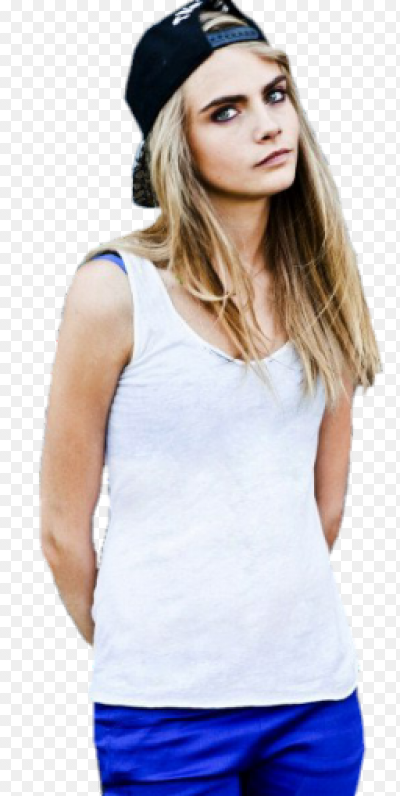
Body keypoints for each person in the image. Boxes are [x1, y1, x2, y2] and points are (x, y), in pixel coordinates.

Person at [39, 1, 381, 794]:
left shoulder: (322, 282)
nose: (268, 125)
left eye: (275, 94)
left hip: (315, 700)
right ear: (175, 143)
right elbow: (61, 533)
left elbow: (324, 505)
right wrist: (155, 653)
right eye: (225, 111)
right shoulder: (113, 293)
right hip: (165, 714)